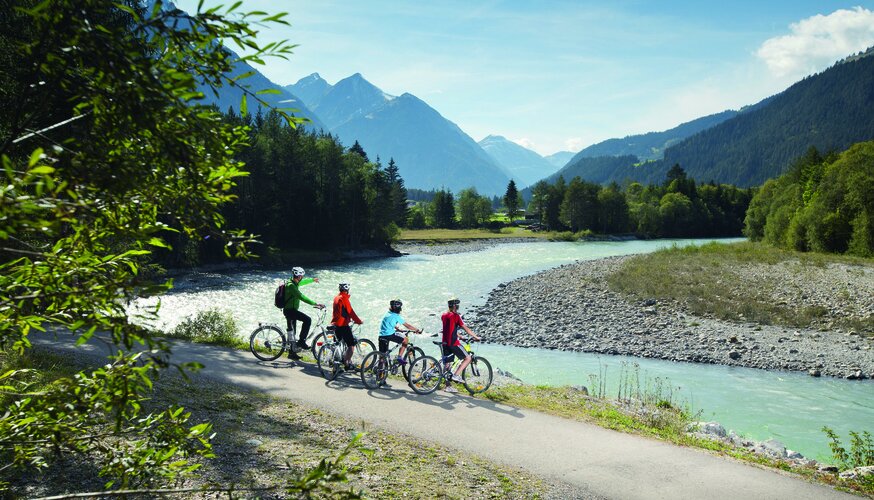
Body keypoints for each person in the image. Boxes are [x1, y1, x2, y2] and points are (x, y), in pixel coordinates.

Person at [282, 266, 325, 360]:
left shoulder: (294, 282)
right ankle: (301, 341)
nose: (302, 277)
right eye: (301, 276)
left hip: (291, 310)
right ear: (298, 276)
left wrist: (312, 280)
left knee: (292, 332)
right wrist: (315, 303)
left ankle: (291, 353)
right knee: (307, 320)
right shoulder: (291, 286)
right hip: (290, 311)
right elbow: (301, 297)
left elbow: (303, 282)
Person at [441, 297, 481, 393]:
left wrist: (459, 335)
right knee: (468, 358)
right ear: (455, 306)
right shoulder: (455, 316)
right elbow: (466, 328)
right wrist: (476, 337)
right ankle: (456, 375)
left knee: (448, 364)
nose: (458, 306)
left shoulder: (444, 315)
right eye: (457, 305)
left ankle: (448, 386)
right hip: (453, 343)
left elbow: (448, 329)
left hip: (445, 342)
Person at [378, 299, 421, 366]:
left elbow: (389, 323)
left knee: (382, 355)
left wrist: (397, 329)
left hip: (381, 335)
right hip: (389, 335)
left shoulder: (387, 314)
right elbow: (408, 326)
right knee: (405, 340)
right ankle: (399, 357)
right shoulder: (396, 316)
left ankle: (380, 371)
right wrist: (416, 330)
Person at [331, 282, 363, 371]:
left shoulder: (336, 297)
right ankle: (347, 364)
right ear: (347, 290)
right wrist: (358, 321)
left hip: (335, 324)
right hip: (343, 325)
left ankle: (335, 367)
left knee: (337, 344)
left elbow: (341, 312)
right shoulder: (344, 299)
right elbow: (350, 312)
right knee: (351, 345)